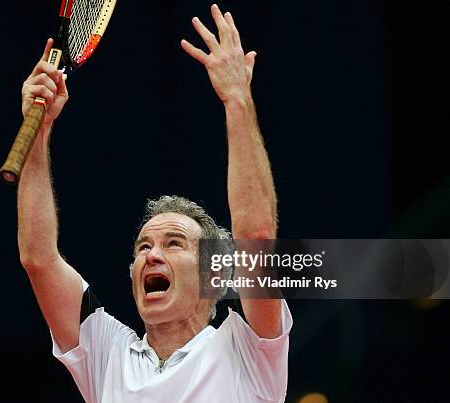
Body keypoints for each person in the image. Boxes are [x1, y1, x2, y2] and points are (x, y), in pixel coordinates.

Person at [17, 4, 292, 402]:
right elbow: (38, 258)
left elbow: (255, 234)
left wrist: (237, 100)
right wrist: (39, 132)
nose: (151, 255)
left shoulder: (249, 348)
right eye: (143, 247)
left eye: (174, 243)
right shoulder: (106, 354)